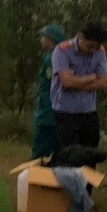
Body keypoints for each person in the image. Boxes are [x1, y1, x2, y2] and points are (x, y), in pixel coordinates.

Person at [51, 21, 107, 152]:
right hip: (66, 113)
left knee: (90, 154)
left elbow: (104, 82)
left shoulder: (99, 51)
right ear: (81, 37)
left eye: (96, 47)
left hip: (88, 112)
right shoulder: (62, 50)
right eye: (90, 47)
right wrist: (91, 77)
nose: (93, 51)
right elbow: (66, 83)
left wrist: (76, 80)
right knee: (71, 156)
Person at [32, 24, 65, 159]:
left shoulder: (50, 58)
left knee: (40, 151)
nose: (41, 40)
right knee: (58, 153)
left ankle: (34, 178)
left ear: (51, 39)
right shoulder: (63, 56)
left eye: (43, 37)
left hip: (47, 111)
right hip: (60, 111)